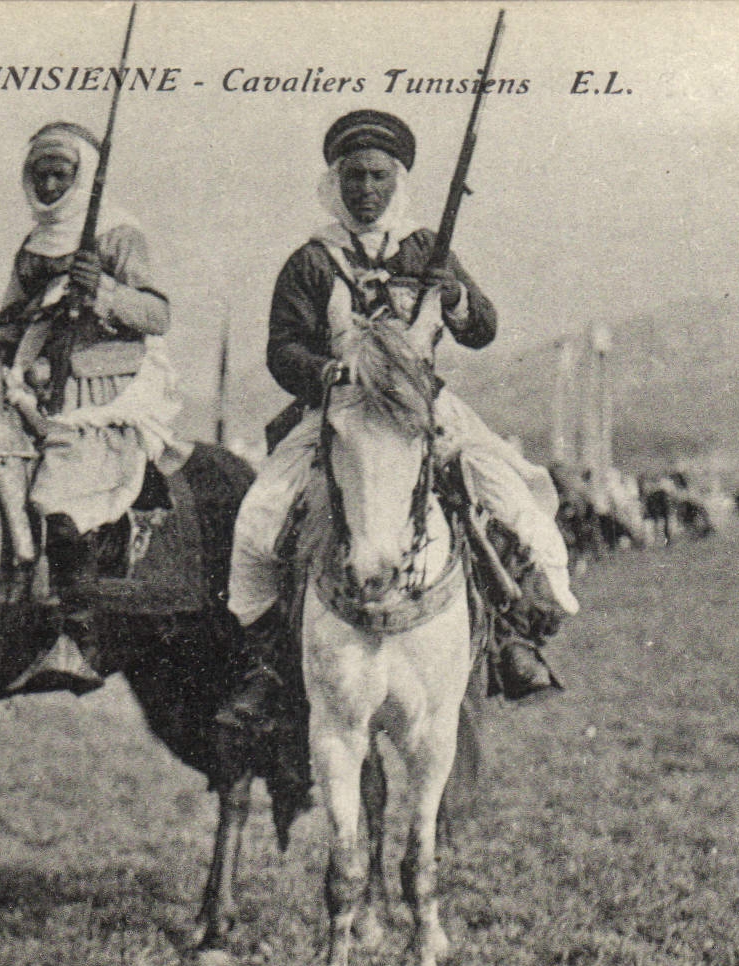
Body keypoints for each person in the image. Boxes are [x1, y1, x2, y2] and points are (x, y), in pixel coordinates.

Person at [224, 110, 580, 727]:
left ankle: (509, 639)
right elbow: (282, 348)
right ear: (337, 183)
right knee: (259, 521)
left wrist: (455, 298)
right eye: (355, 177)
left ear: (398, 183)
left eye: (379, 178)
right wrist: (327, 374)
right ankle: (270, 666)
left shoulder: (425, 248)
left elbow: (483, 328)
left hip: (423, 411)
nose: (366, 190)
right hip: (339, 412)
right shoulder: (311, 262)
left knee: (503, 497)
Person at [0, 121, 191, 691]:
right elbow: (14, 319)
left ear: (84, 175)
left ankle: (73, 634)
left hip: (102, 391)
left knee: (60, 492)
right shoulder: (33, 247)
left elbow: (158, 314)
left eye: (63, 173)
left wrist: (105, 291)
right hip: (36, 381)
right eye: (42, 173)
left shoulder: (117, 234)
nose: (53, 183)